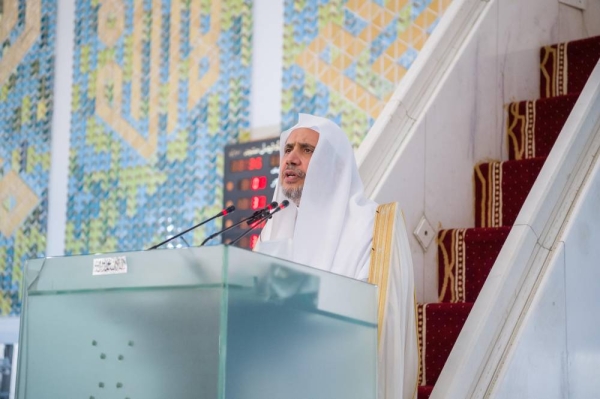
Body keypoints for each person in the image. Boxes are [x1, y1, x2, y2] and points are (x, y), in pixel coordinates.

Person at [255, 114, 419, 399]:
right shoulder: (272, 230)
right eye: (288, 149)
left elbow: (376, 324)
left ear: (335, 166)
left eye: (306, 150)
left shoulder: (372, 225)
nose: (291, 158)